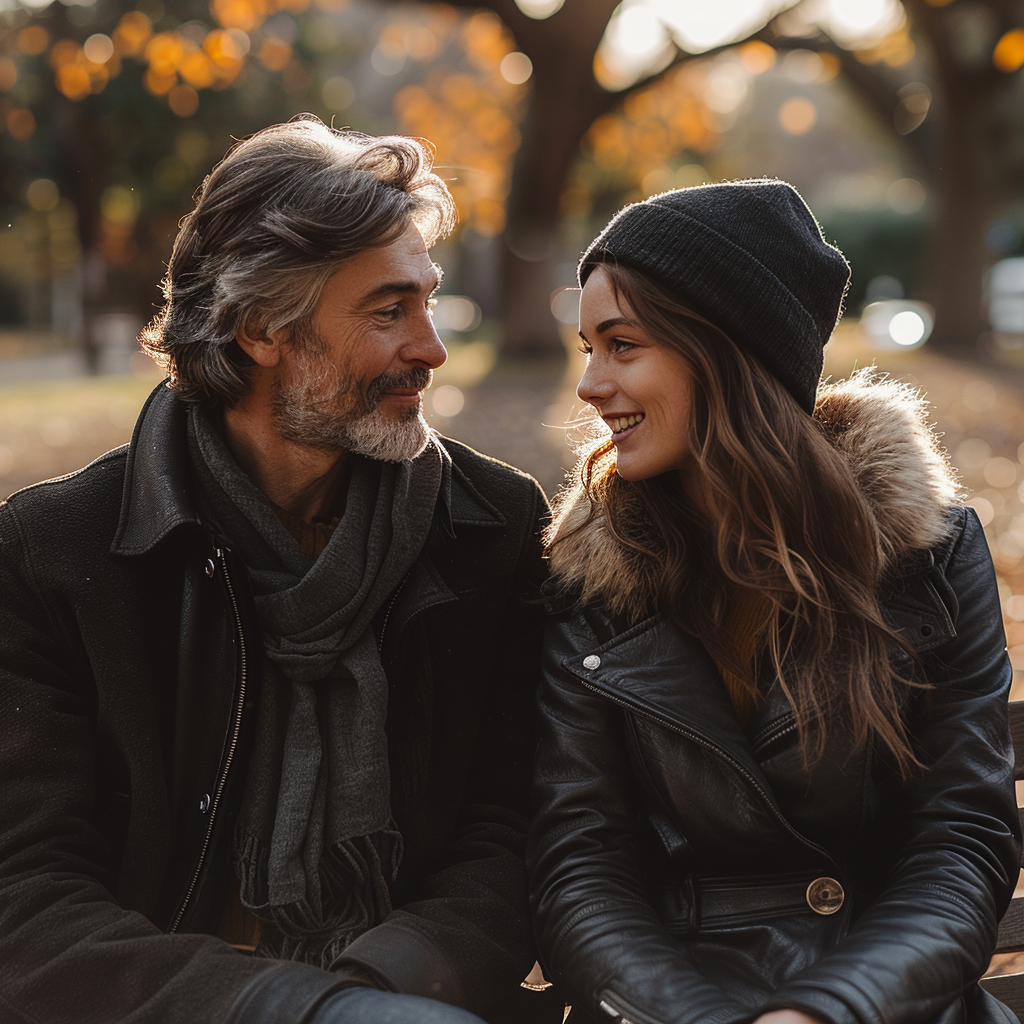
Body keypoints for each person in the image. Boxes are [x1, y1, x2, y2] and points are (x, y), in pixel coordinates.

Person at [0, 117, 555, 1024]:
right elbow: (25, 905)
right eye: (388, 311)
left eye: (429, 300)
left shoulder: (493, 529)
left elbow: (513, 832)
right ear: (261, 329)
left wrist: (380, 995)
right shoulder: (50, 556)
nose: (433, 348)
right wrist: (301, 1011)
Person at [529, 179, 1022, 1024]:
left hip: (885, 998)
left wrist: (826, 1010)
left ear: (725, 351)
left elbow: (961, 840)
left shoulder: (923, 555)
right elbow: (582, 867)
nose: (588, 384)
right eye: (587, 346)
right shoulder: (592, 573)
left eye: (621, 345)